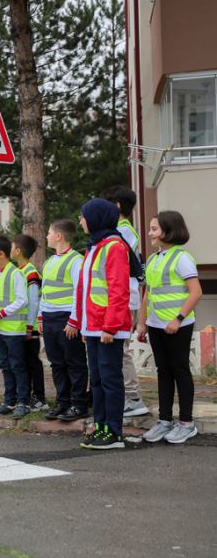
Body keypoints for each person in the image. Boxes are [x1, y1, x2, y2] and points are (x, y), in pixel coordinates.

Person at [75, 198, 142, 450]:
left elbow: (118, 290)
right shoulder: (95, 246)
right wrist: (83, 325)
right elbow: (85, 289)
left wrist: (109, 327)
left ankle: (113, 432)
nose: (81, 220)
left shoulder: (114, 246)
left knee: (111, 379)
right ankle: (102, 427)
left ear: (96, 218)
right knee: (98, 380)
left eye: (84, 216)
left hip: (107, 327)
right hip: (93, 326)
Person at [138, 211, 202, 444]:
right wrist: (142, 322)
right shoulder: (154, 259)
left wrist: (177, 318)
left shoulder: (182, 257)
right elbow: (148, 293)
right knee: (163, 372)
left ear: (168, 230)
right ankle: (165, 421)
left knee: (180, 371)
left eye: (154, 229)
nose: (150, 233)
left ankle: (186, 423)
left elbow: (196, 292)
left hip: (178, 325)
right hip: (156, 325)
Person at [101, 185, 150, 418]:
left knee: (122, 350)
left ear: (117, 206)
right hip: (120, 297)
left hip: (124, 298)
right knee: (118, 350)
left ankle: (133, 398)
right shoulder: (118, 230)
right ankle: (126, 396)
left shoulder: (123, 231)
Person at [39, 219, 88, 422]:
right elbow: (45, 292)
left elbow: (80, 293)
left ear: (59, 236)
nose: (47, 236)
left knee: (74, 362)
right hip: (50, 318)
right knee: (56, 363)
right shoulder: (49, 262)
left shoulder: (76, 260)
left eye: (49, 232)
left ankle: (78, 404)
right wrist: (41, 316)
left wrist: (75, 321)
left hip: (67, 318)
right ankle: (62, 401)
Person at [0, 235, 31, 419]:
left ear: (1, 254)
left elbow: (22, 300)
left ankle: (23, 402)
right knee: (5, 365)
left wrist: (1, 313)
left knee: (17, 365)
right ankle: (9, 401)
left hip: (13, 330)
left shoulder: (15, 273)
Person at [11, 234, 47, 411]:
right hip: (20, 327)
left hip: (29, 327)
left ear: (18, 251)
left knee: (33, 361)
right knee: (24, 361)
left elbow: (33, 302)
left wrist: (29, 327)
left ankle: (39, 397)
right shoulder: (19, 271)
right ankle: (28, 394)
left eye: (11, 247)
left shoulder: (30, 272)